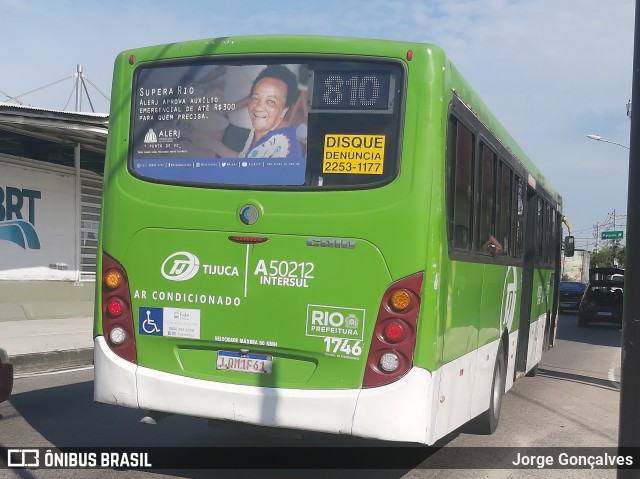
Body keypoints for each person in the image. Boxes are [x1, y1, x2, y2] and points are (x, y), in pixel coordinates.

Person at [210, 65, 302, 160]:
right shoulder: (258, 130)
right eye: (255, 98)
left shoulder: (282, 147)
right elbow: (243, 158)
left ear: (284, 110)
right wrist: (212, 145)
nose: (258, 107)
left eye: (271, 102)